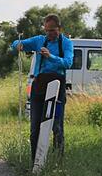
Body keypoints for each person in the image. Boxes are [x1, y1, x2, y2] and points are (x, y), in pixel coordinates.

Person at [12, 13, 74, 162]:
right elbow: (16, 42)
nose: (49, 33)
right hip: (39, 86)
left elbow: (68, 62)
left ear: (59, 28)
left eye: (52, 30)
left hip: (57, 87)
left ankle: (57, 162)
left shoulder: (66, 43)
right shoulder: (39, 40)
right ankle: (36, 162)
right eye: (46, 30)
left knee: (57, 127)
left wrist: (50, 56)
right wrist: (18, 45)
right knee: (35, 128)